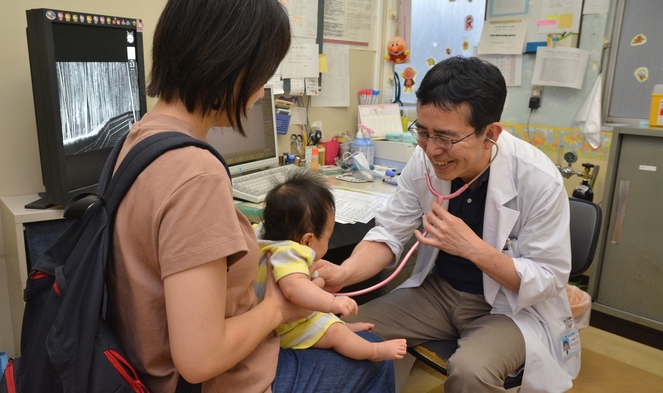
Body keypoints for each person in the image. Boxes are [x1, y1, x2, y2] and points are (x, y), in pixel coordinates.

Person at [105, 1, 395, 392]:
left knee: (347, 337)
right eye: (263, 74)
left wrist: (318, 326)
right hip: (217, 381)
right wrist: (280, 307)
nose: (261, 92)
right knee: (375, 360)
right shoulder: (196, 173)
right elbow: (200, 359)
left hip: (145, 365)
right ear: (232, 66)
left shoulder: (138, 137)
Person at [315, 56, 580, 393]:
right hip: (438, 294)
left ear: (490, 134)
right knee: (334, 330)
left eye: (446, 138)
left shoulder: (539, 179)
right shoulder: (423, 161)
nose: (431, 149)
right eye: (423, 132)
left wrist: (473, 249)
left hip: (508, 308)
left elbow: (549, 277)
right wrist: (345, 273)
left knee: (470, 372)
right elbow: (389, 233)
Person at [255, 170, 407, 361]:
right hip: (284, 329)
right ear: (308, 241)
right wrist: (333, 303)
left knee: (321, 312)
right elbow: (294, 289)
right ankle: (374, 352)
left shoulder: (262, 238)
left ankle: (346, 327)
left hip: (276, 322)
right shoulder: (291, 253)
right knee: (336, 335)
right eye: (328, 236)